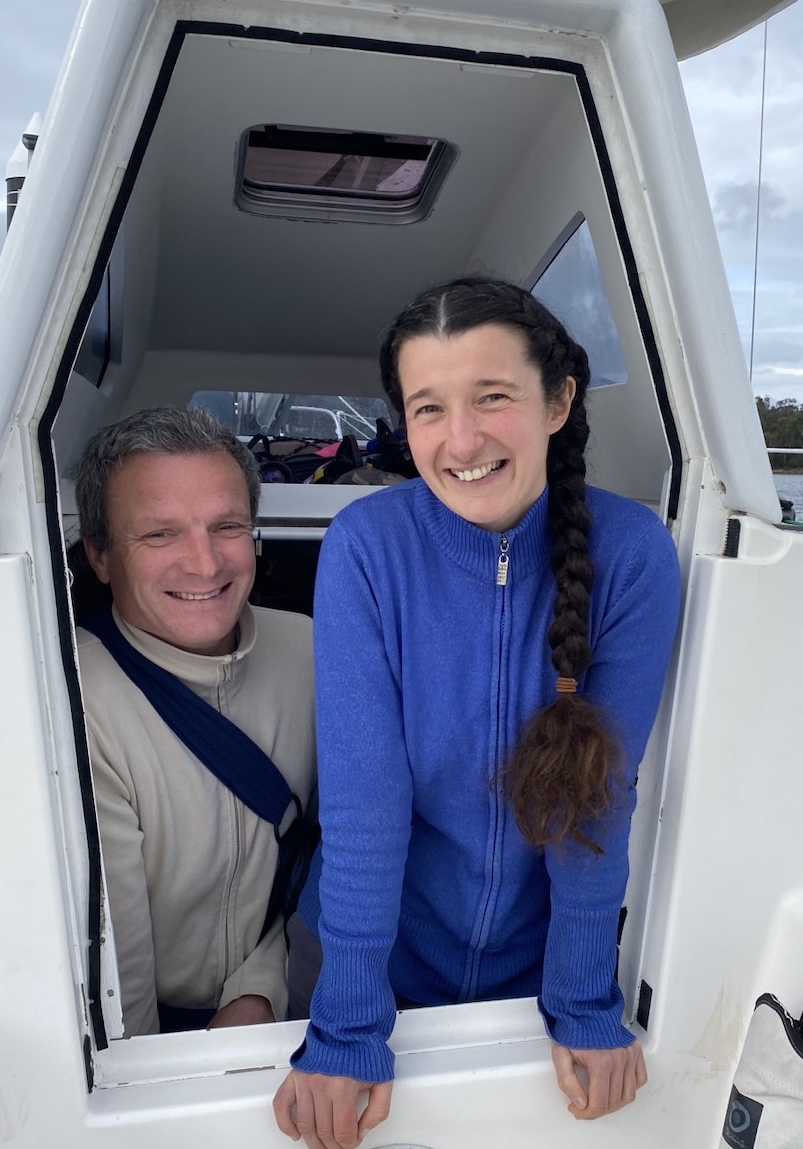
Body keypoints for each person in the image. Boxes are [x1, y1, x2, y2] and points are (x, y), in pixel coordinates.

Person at [273, 277, 680, 1144]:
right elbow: (365, 803)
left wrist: (580, 1000)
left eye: (492, 397)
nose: (461, 440)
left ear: (559, 400)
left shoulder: (634, 554)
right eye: (428, 408)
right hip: (361, 963)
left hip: (533, 977)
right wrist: (348, 1023)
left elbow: (594, 802)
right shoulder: (366, 547)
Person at [74, 406, 316, 1036]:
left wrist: (261, 988)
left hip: (287, 1013)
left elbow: (336, 851)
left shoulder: (318, 653)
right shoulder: (73, 703)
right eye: (159, 534)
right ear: (100, 556)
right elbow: (115, 972)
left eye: (226, 525)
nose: (205, 563)